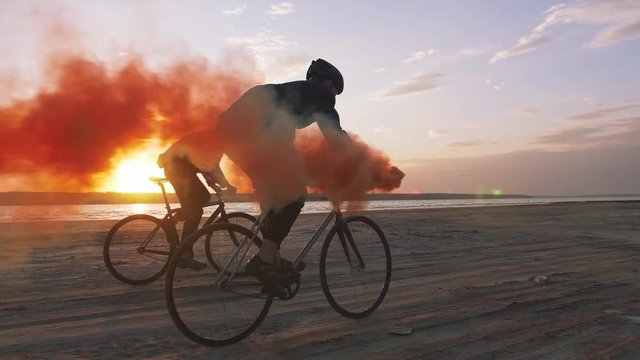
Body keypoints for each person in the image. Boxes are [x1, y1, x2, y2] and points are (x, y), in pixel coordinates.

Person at [214, 58, 351, 297]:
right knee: (294, 193)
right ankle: (264, 260)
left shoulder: (294, 94)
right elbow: (334, 137)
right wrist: (354, 157)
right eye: (335, 90)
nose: (334, 96)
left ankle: (271, 258)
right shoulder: (319, 93)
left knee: (274, 199)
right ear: (327, 82)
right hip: (254, 129)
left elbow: (285, 140)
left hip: (232, 132)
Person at [157, 131, 237, 270]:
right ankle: (184, 255)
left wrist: (217, 184)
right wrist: (226, 185)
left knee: (203, 198)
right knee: (195, 212)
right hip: (176, 168)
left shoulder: (213, 138)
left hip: (178, 167)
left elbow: (208, 168)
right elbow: (208, 167)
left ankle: (173, 221)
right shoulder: (215, 142)